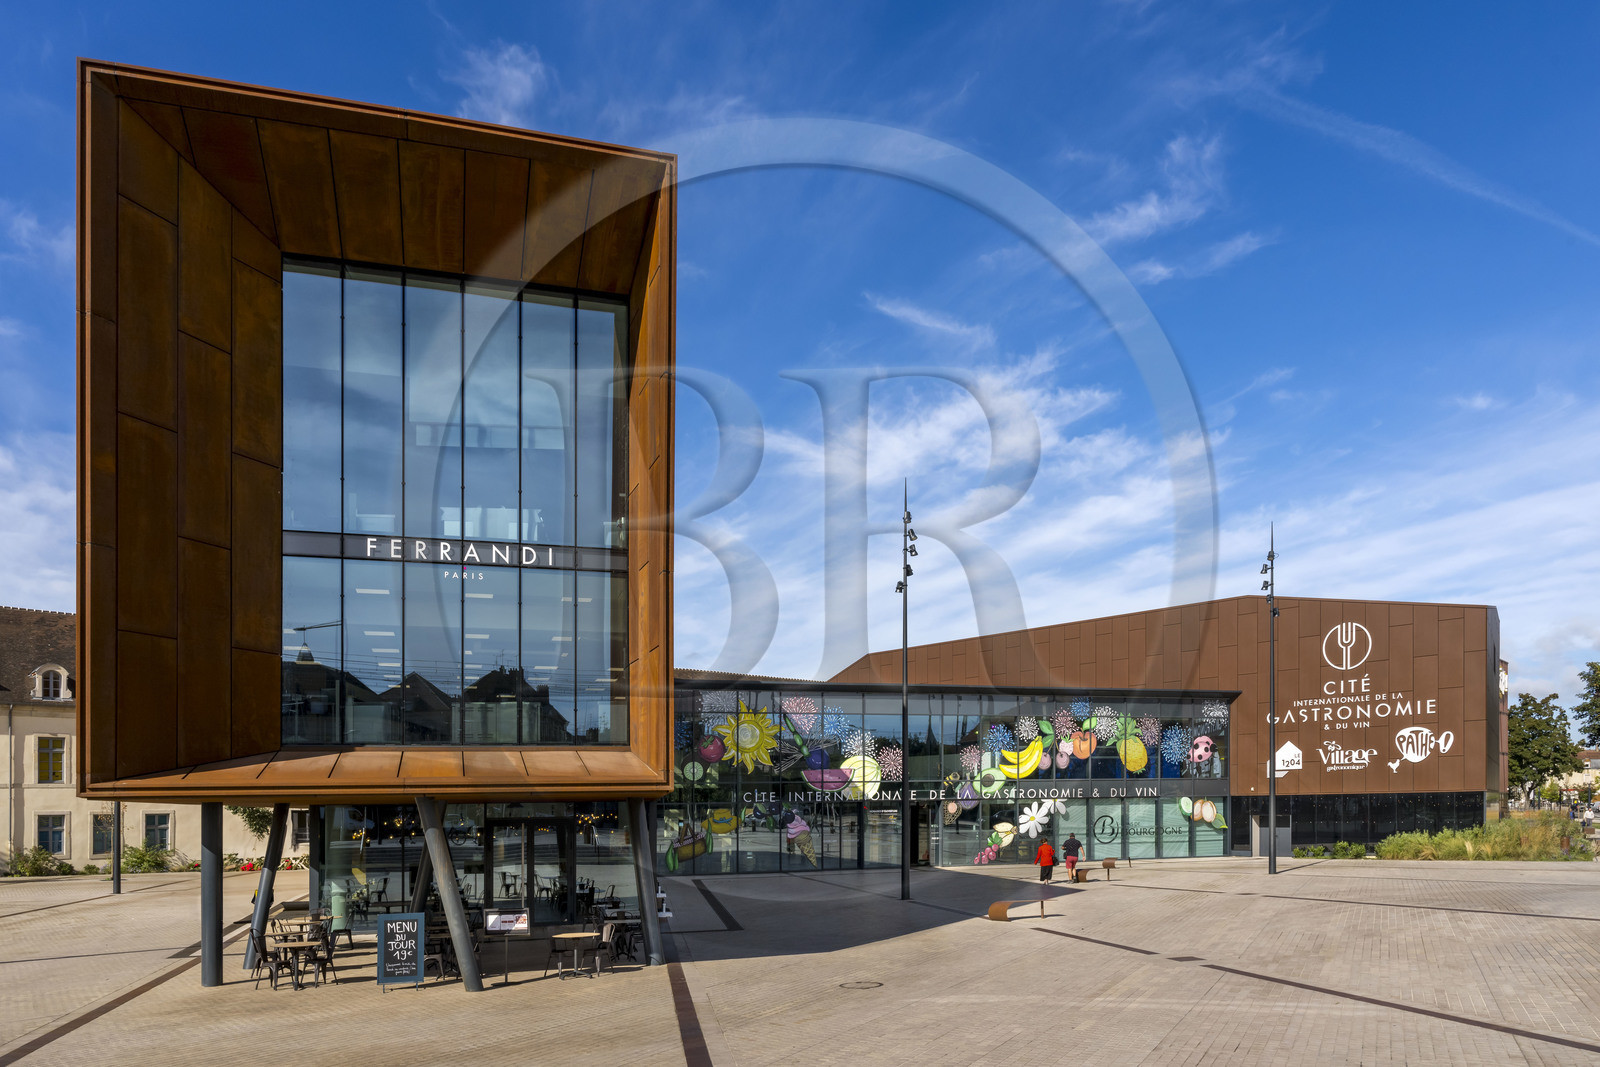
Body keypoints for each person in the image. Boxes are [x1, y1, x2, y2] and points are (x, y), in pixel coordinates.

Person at [1033, 838, 1055, 915]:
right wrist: (1053, 851)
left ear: (1042, 842)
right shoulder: (1049, 847)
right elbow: (1052, 854)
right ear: (1046, 841)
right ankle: (1047, 880)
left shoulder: (1040, 848)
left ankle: (1045, 880)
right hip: (1049, 861)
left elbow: (1038, 855)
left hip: (1043, 862)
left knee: (1043, 871)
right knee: (1049, 871)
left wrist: (1035, 862)